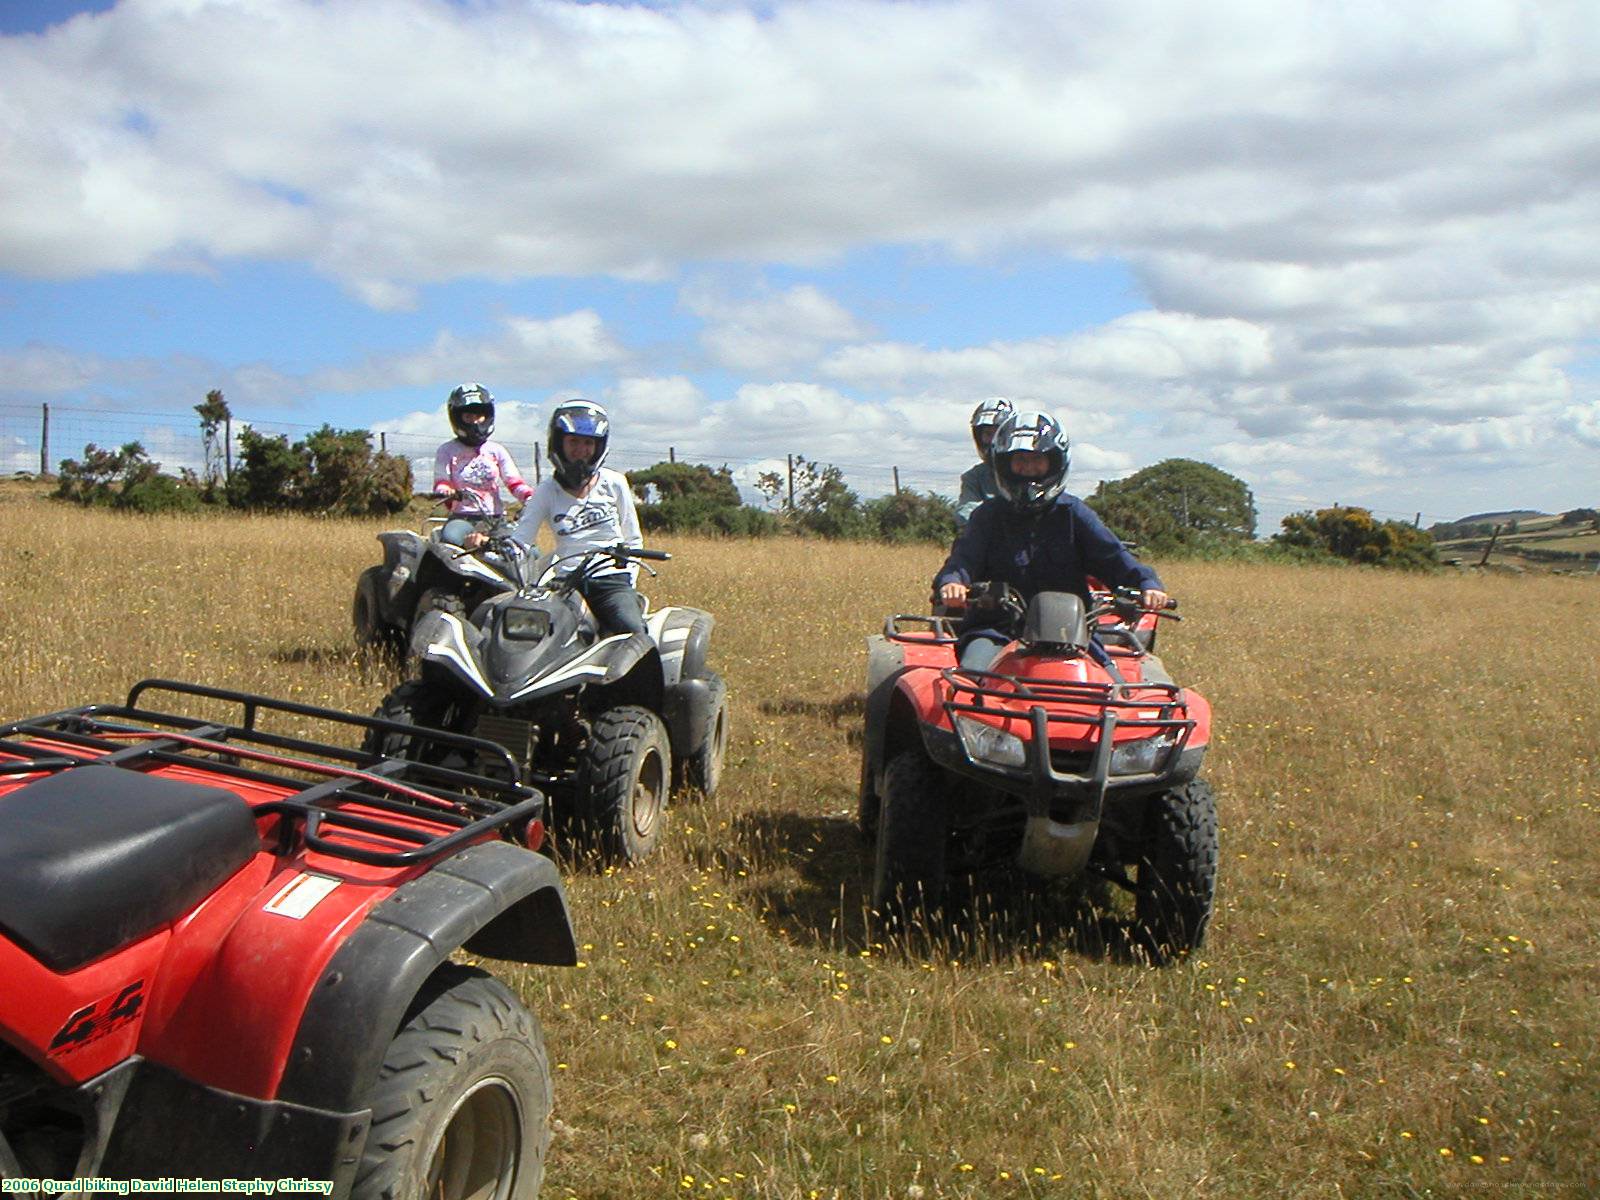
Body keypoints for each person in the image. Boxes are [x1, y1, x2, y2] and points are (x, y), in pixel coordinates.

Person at [935, 409, 1169, 671]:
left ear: (1055, 462)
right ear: (1004, 464)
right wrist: (953, 583)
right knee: (971, 678)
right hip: (996, 630)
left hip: (1071, 633)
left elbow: (1113, 558)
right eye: (1020, 460)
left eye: (1037, 459)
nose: (1028, 467)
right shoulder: (987, 516)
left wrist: (1147, 584)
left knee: (1113, 687)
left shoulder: (1074, 514)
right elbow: (963, 560)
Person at [470, 399, 648, 637]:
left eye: (588, 443)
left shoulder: (614, 482)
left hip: (610, 580)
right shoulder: (546, 491)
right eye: (573, 441)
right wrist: (485, 547)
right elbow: (520, 543)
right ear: (559, 442)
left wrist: (628, 582)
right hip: (566, 582)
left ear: (598, 446)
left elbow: (633, 539)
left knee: (633, 632)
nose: (581, 450)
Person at [432, 383, 535, 546]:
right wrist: (446, 491)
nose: (474, 422)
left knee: (527, 550)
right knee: (451, 540)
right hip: (463, 519)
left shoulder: (496, 450)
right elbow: (441, 480)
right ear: (457, 418)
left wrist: (529, 497)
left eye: (479, 416)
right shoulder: (447, 450)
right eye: (468, 416)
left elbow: (513, 481)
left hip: (496, 520)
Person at [954, 397, 1014, 528]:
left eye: (998, 432)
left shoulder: (1027, 469)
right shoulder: (974, 477)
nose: (993, 440)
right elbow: (965, 514)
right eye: (988, 434)